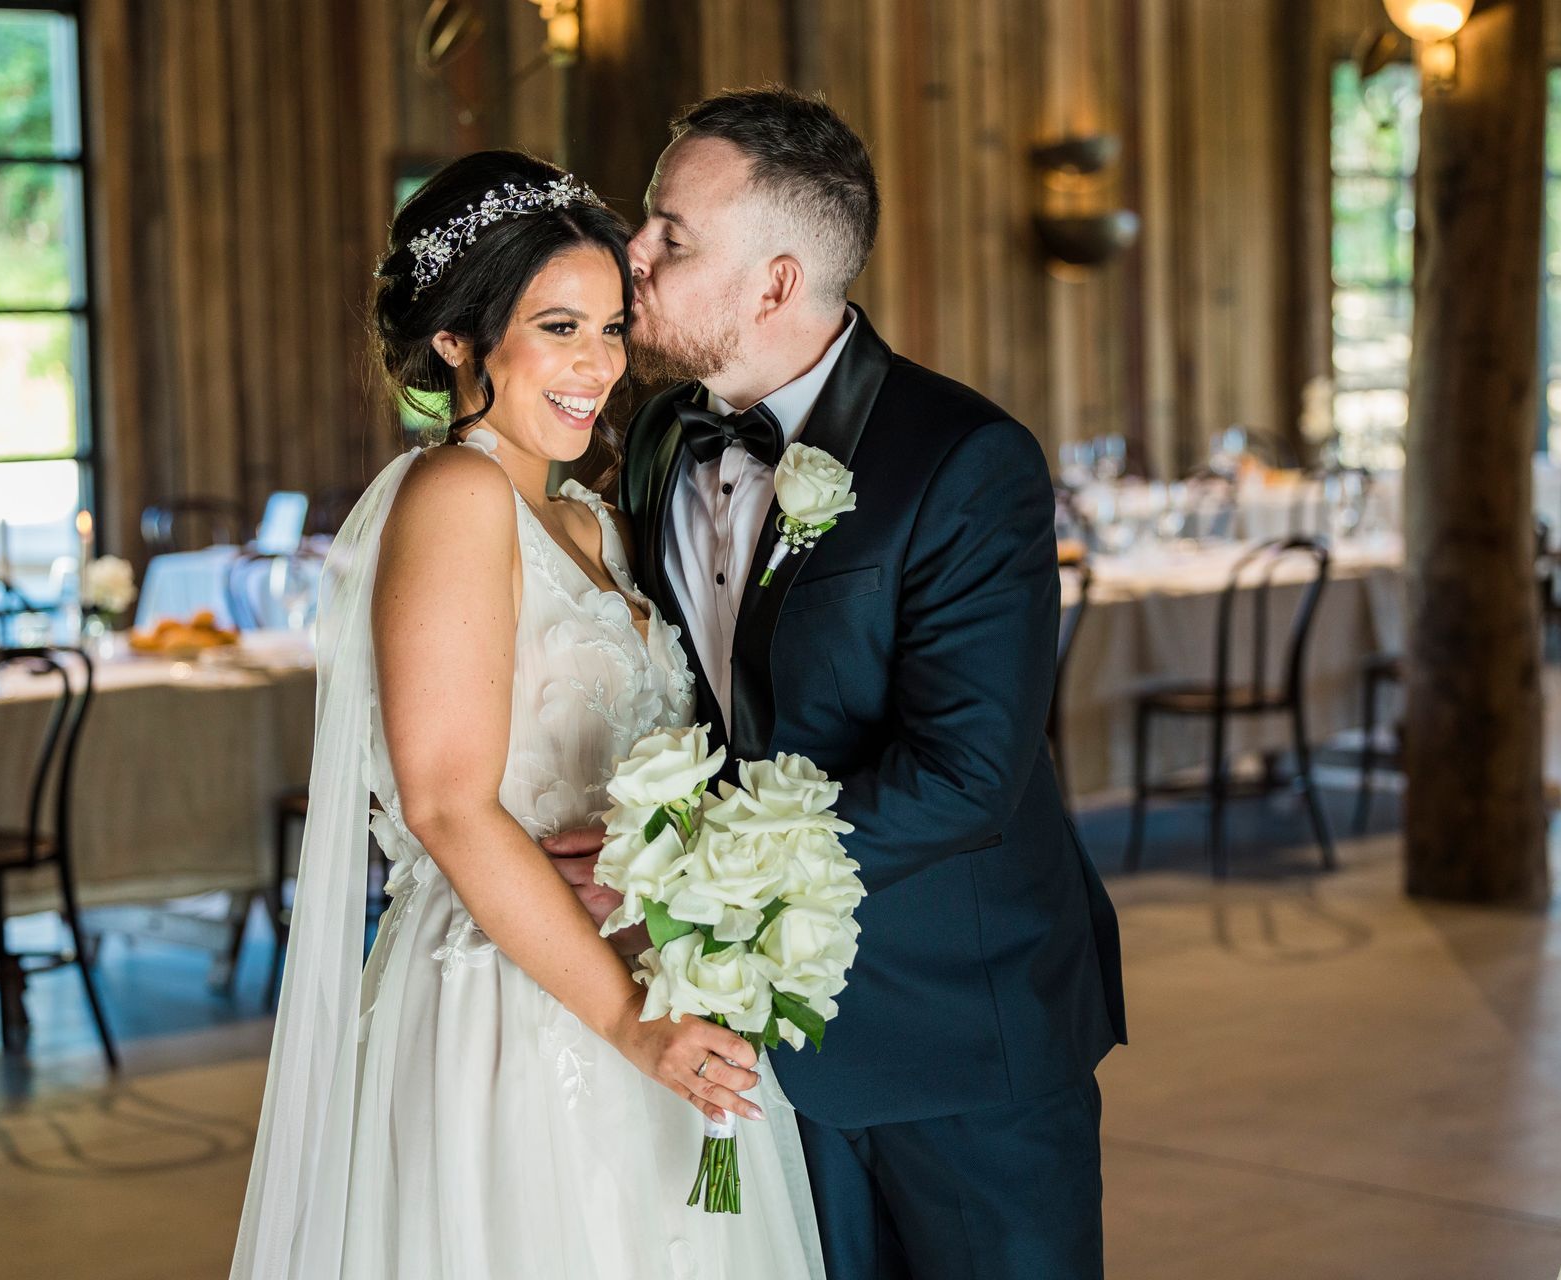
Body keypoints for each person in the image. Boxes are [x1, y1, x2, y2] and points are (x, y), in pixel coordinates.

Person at [545, 88, 1127, 1279]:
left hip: (957, 1032)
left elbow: (966, 777)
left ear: (773, 282)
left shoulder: (965, 459)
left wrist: (676, 857)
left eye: (670, 236)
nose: (631, 258)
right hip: (759, 1041)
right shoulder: (661, 439)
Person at [229, 149, 824, 1280]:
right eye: (559, 327)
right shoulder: (454, 497)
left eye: (610, 327)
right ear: (458, 340)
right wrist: (626, 1022)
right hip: (515, 1001)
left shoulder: (593, 520)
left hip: (646, 974)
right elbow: (450, 803)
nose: (597, 365)